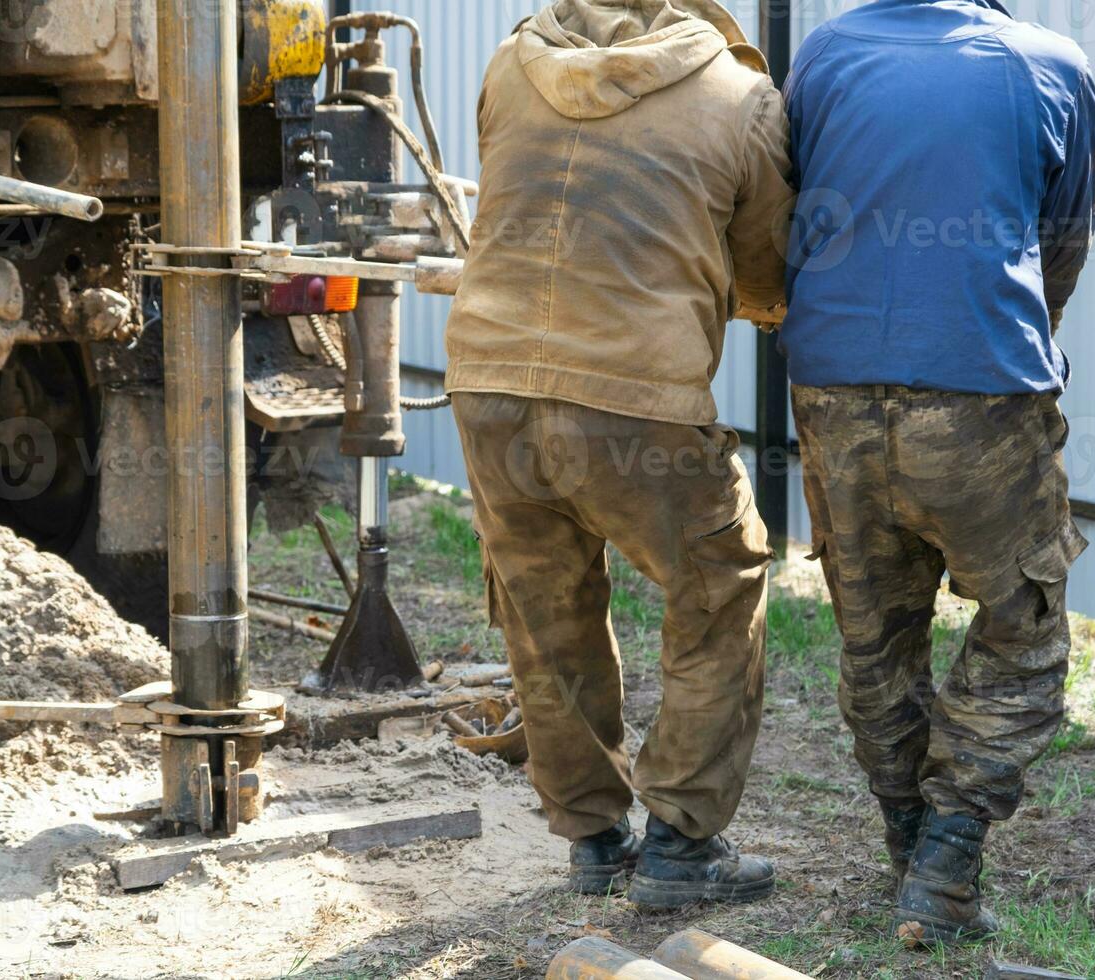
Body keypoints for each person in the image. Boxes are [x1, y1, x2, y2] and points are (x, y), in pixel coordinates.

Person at [445, 0, 793, 904]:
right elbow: (766, 274)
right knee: (722, 578)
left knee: (544, 605)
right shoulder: (742, 95)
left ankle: (594, 840)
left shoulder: (508, 67)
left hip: (488, 382)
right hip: (637, 398)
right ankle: (681, 842)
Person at [781, 0, 1095, 945]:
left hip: (832, 383)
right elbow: (1065, 236)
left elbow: (786, 201)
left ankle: (908, 847)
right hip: (981, 389)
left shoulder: (827, 52)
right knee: (1024, 626)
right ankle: (946, 861)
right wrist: (1003, 337)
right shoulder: (1050, 62)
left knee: (875, 633)